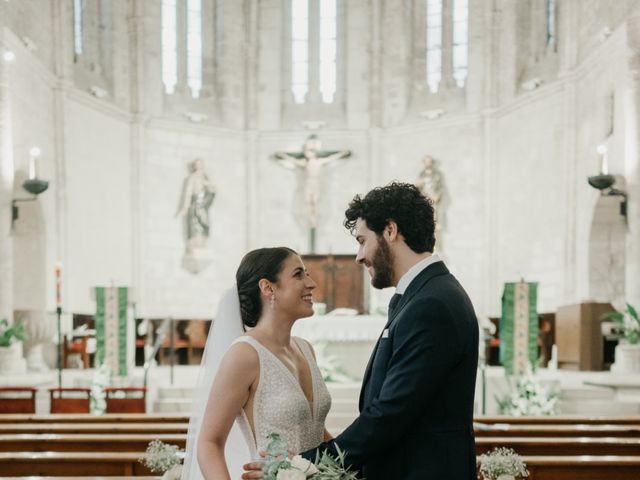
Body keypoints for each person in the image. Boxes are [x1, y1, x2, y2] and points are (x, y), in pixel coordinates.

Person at [244, 182, 479, 480]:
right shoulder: (426, 295)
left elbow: (391, 413)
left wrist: (302, 465)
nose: (358, 256)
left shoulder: (431, 304)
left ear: (390, 231)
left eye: (362, 240)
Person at [182, 247, 332, 479]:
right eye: (298, 274)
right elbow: (209, 443)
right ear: (268, 287)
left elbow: (315, 431)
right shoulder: (245, 354)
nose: (311, 283)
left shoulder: (305, 349)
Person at [274, 135, 351, 228]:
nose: (309, 153)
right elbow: (292, 160)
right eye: (308, 151)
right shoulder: (304, 163)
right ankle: (311, 219)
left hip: (316, 184)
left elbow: (332, 158)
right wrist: (282, 155)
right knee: (309, 202)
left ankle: (314, 220)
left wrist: (342, 154)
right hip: (308, 184)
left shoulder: (319, 162)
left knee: (314, 202)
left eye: (311, 151)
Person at [177, 158, 216, 253]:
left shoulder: (205, 177)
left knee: (204, 226)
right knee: (195, 225)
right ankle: (195, 245)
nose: (199, 166)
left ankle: (202, 244)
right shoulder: (192, 177)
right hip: (195, 206)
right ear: (195, 166)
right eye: (197, 164)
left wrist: (211, 188)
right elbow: (188, 194)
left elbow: (212, 190)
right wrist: (184, 208)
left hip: (203, 206)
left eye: (201, 164)